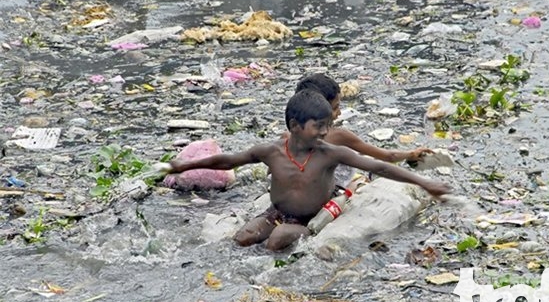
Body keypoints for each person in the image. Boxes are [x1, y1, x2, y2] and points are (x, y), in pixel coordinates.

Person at [161, 89, 452, 251]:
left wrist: (425, 183)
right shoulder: (271, 152)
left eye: (328, 125)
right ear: (294, 127)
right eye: (319, 126)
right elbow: (228, 161)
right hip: (275, 213)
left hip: (313, 216)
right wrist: (188, 164)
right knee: (244, 238)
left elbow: (377, 166)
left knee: (277, 240)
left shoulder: (329, 154)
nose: (326, 132)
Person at [294, 73, 433, 188]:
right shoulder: (339, 136)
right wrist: (411, 154)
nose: (339, 113)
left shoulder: (290, 135)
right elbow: (388, 156)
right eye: (336, 107)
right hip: (334, 191)